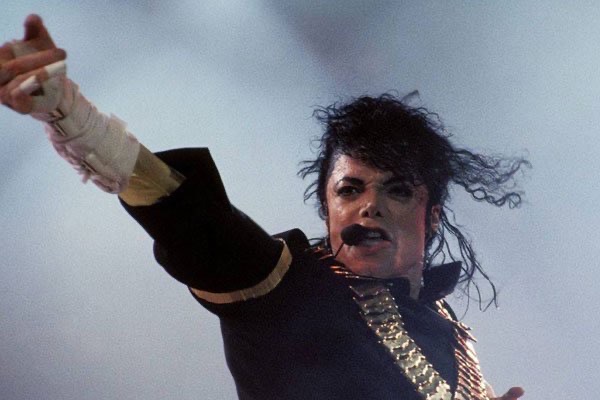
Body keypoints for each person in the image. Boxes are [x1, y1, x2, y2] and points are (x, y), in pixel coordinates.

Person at [1, 15, 528, 400]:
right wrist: (69, 113)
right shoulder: (291, 291)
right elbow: (194, 219)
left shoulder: (442, 324)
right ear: (326, 207)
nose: (369, 207)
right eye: (349, 190)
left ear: (431, 214)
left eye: (397, 191)